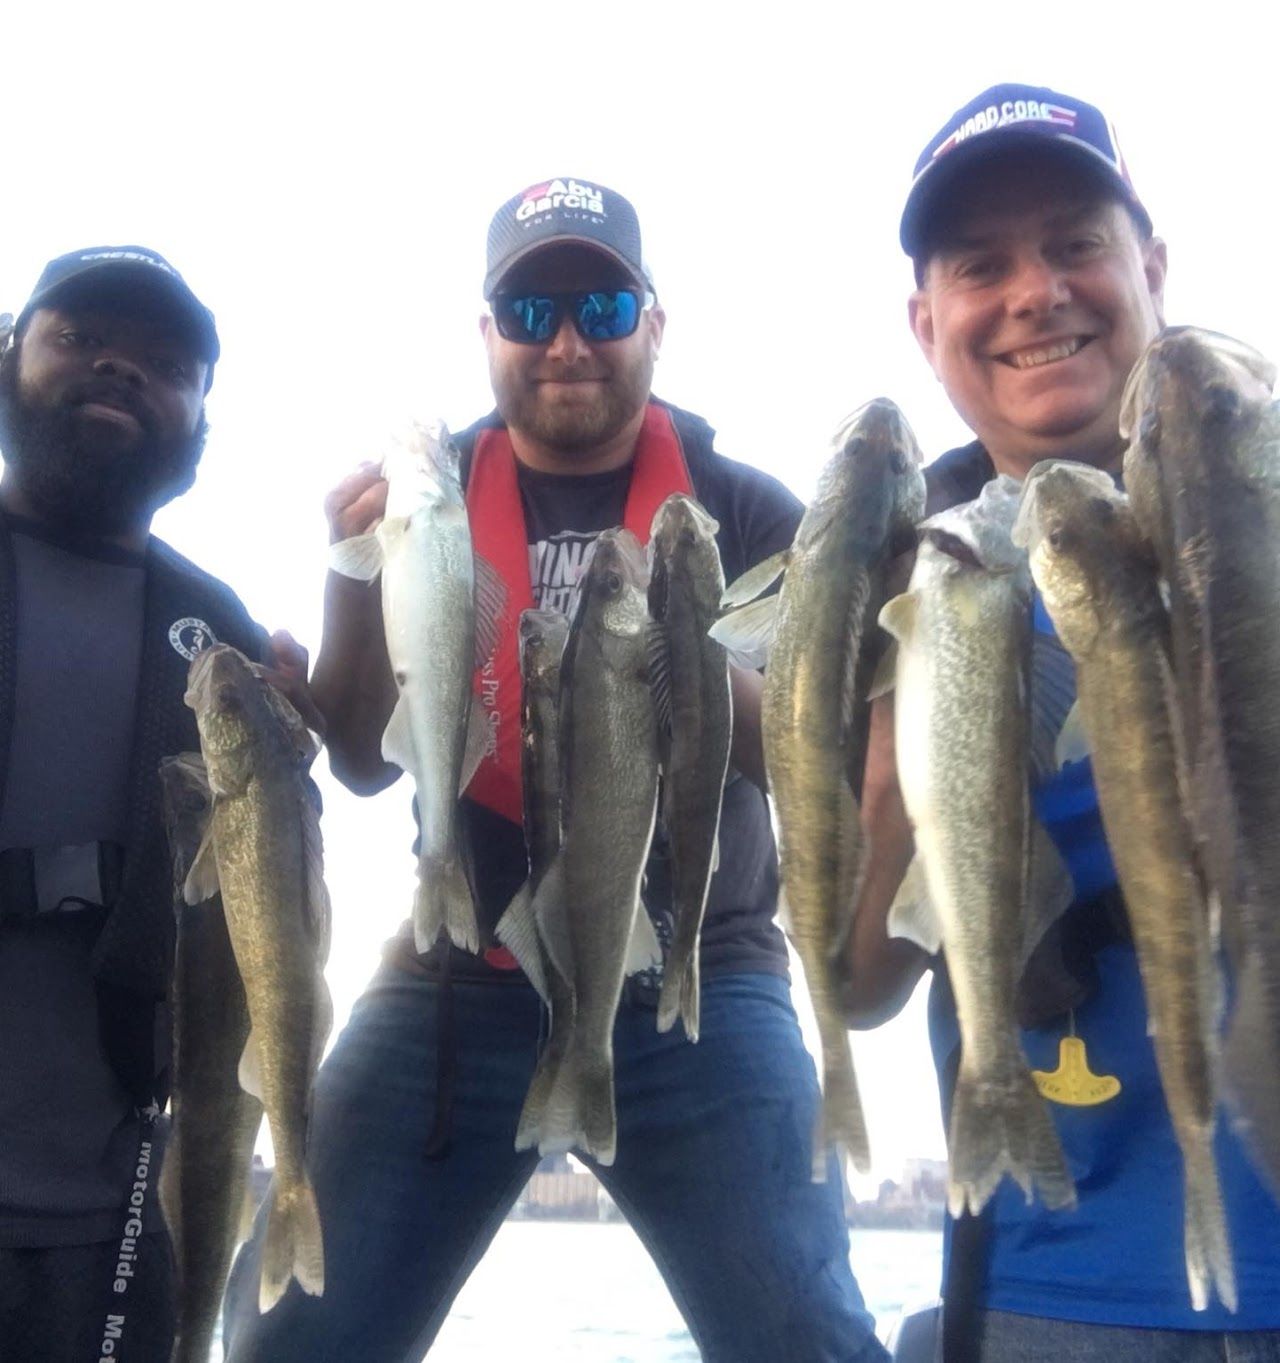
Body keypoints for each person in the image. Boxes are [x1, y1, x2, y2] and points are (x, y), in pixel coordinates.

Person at [222, 177, 889, 1362]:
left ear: (654, 322)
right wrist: (345, 575)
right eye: (530, 313)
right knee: (289, 1332)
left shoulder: (743, 509)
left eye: (601, 306)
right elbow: (367, 766)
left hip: (697, 975)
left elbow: (816, 759)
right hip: (455, 975)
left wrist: (682, 658)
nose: (567, 342)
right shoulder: (422, 505)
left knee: (807, 1333)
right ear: (486, 333)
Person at [843, 85, 1280, 1360]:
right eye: (980, 266)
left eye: (1075, 244)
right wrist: (899, 771)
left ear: (1149, 268)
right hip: (1054, 1288)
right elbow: (859, 983)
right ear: (926, 325)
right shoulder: (897, 584)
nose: (1035, 293)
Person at [0, 246, 317, 1363]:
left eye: (166, 365)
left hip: (118, 1220)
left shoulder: (218, 631)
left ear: (200, 429)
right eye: (80, 339)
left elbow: (270, 930)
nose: (120, 368)